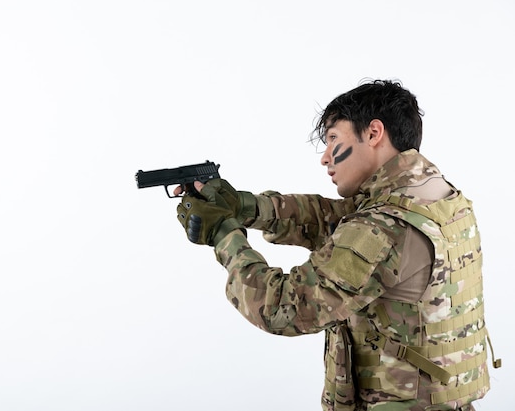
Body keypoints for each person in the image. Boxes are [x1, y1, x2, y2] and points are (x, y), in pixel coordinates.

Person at [174, 80, 500, 411]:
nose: (326, 157)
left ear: (374, 133)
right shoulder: (438, 197)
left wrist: (223, 234)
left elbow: (283, 308)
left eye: (333, 139)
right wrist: (248, 207)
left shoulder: (383, 226)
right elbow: (335, 218)